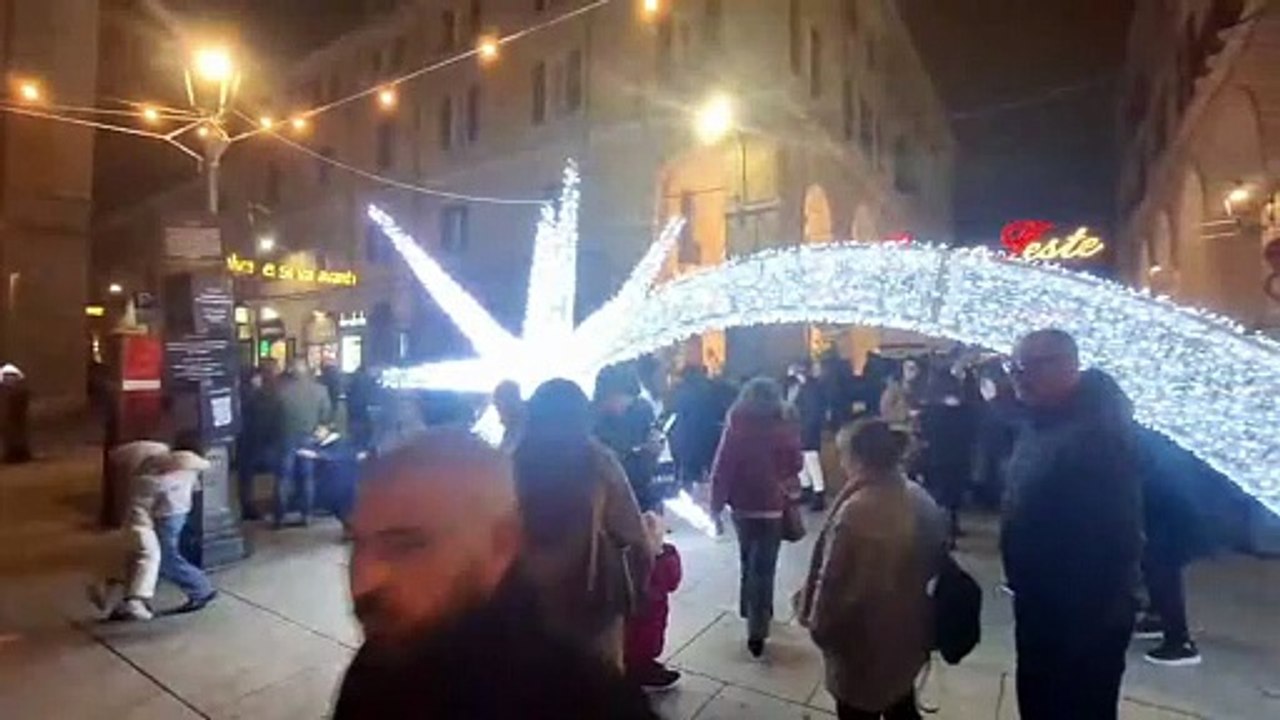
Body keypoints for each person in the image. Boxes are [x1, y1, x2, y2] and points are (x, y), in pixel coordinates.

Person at [334, 429, 657, 720]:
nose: (364, 580)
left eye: (406, 546)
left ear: (503, 543)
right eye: (358, 543)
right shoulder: (381, 665)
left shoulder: (591, 705)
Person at [1003, 329, 1142, 720]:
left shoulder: (1097, 437)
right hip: (1040, 604)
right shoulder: (1041, 421)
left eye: (1027, 367)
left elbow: (1113, 539)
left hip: (1081, 617)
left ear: (1068, 366)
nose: (1018, 377)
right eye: (1013, 367)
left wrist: (1088, 620)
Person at [797, 420, 946, 720]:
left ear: (858, 458)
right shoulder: (918, 497)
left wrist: (820, 628)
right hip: (908, 628)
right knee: (900, 700)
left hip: (862, 643)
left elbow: (834, 586)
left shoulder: (857, 512)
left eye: (843, 455)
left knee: (858, 710)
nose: (841, 463)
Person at [515, 379, 651, 667]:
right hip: (590, 593)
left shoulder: (513, 460)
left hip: (527, 596)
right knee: (598, 680)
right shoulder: (597, 460)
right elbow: (631, 531)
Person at [710, 377, 803, 657]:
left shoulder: (736, 423)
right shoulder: (784, 423)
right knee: (765, 567)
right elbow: (796, 463)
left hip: (742, 504)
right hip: (772, 504)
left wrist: (715, 505)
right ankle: (758, 628)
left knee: (747, 558)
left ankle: (747, 608)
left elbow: (723, 466)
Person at [624, 512, 683, 690]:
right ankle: (642, 669)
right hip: (653, 614)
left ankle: (636, 664)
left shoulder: (627, 559)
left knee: (633, 640)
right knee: (647, 642)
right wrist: (670, 554)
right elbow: (673, 583)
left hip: (632, 612)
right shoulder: (664, 560)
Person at [919, 371, 976, 546]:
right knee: (954, 493)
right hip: (960, 455)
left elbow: (925, 433)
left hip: (937, 456)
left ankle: (944, 532)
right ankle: (952, 525)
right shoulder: (965, 408)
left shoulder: (929, 410)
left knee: (941, 495)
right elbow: (972, 430)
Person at [274, 359, 332, 527]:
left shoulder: (282, 391)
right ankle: (306, 514)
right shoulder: (321, 390)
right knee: (307, 477)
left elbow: (274, 416)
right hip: (310, 438)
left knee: (284, 477)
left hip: (286, 437)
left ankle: (280, 516)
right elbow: (326, 415)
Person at [594, 366, 661, 511]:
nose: (628, 404)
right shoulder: (590, 425)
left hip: (639, 498)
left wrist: (651, 453)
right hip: (609, 504)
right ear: (610, 395)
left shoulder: (639, 411)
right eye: (625, 399)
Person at [238, 360, 282, 520]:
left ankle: (249, 506)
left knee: (247, 476)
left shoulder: (248, 390)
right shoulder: (268, 391)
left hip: (249, 438)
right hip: (261, 438)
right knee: (276, 472)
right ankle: (265, 506)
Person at [668, 365, 722, 488]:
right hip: (707, 439)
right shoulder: (710, 390)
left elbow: (676, 415)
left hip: (686, 441)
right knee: (707, 476)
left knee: (688, 476)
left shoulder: (680, 393)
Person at [786, 362, 828, 511]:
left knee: (811, 461)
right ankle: (807, 488)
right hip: (800, 430)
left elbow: (813, 412)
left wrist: (804, 427)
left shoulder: (810, 389)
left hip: (808, 430)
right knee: (803, 461)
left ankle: (818, 493)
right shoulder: (802, 388)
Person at [492, 379, 525, 455]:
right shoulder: (517, 422)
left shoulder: (518, 426)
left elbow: (505, 453)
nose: (499, 420)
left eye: (498, 407)